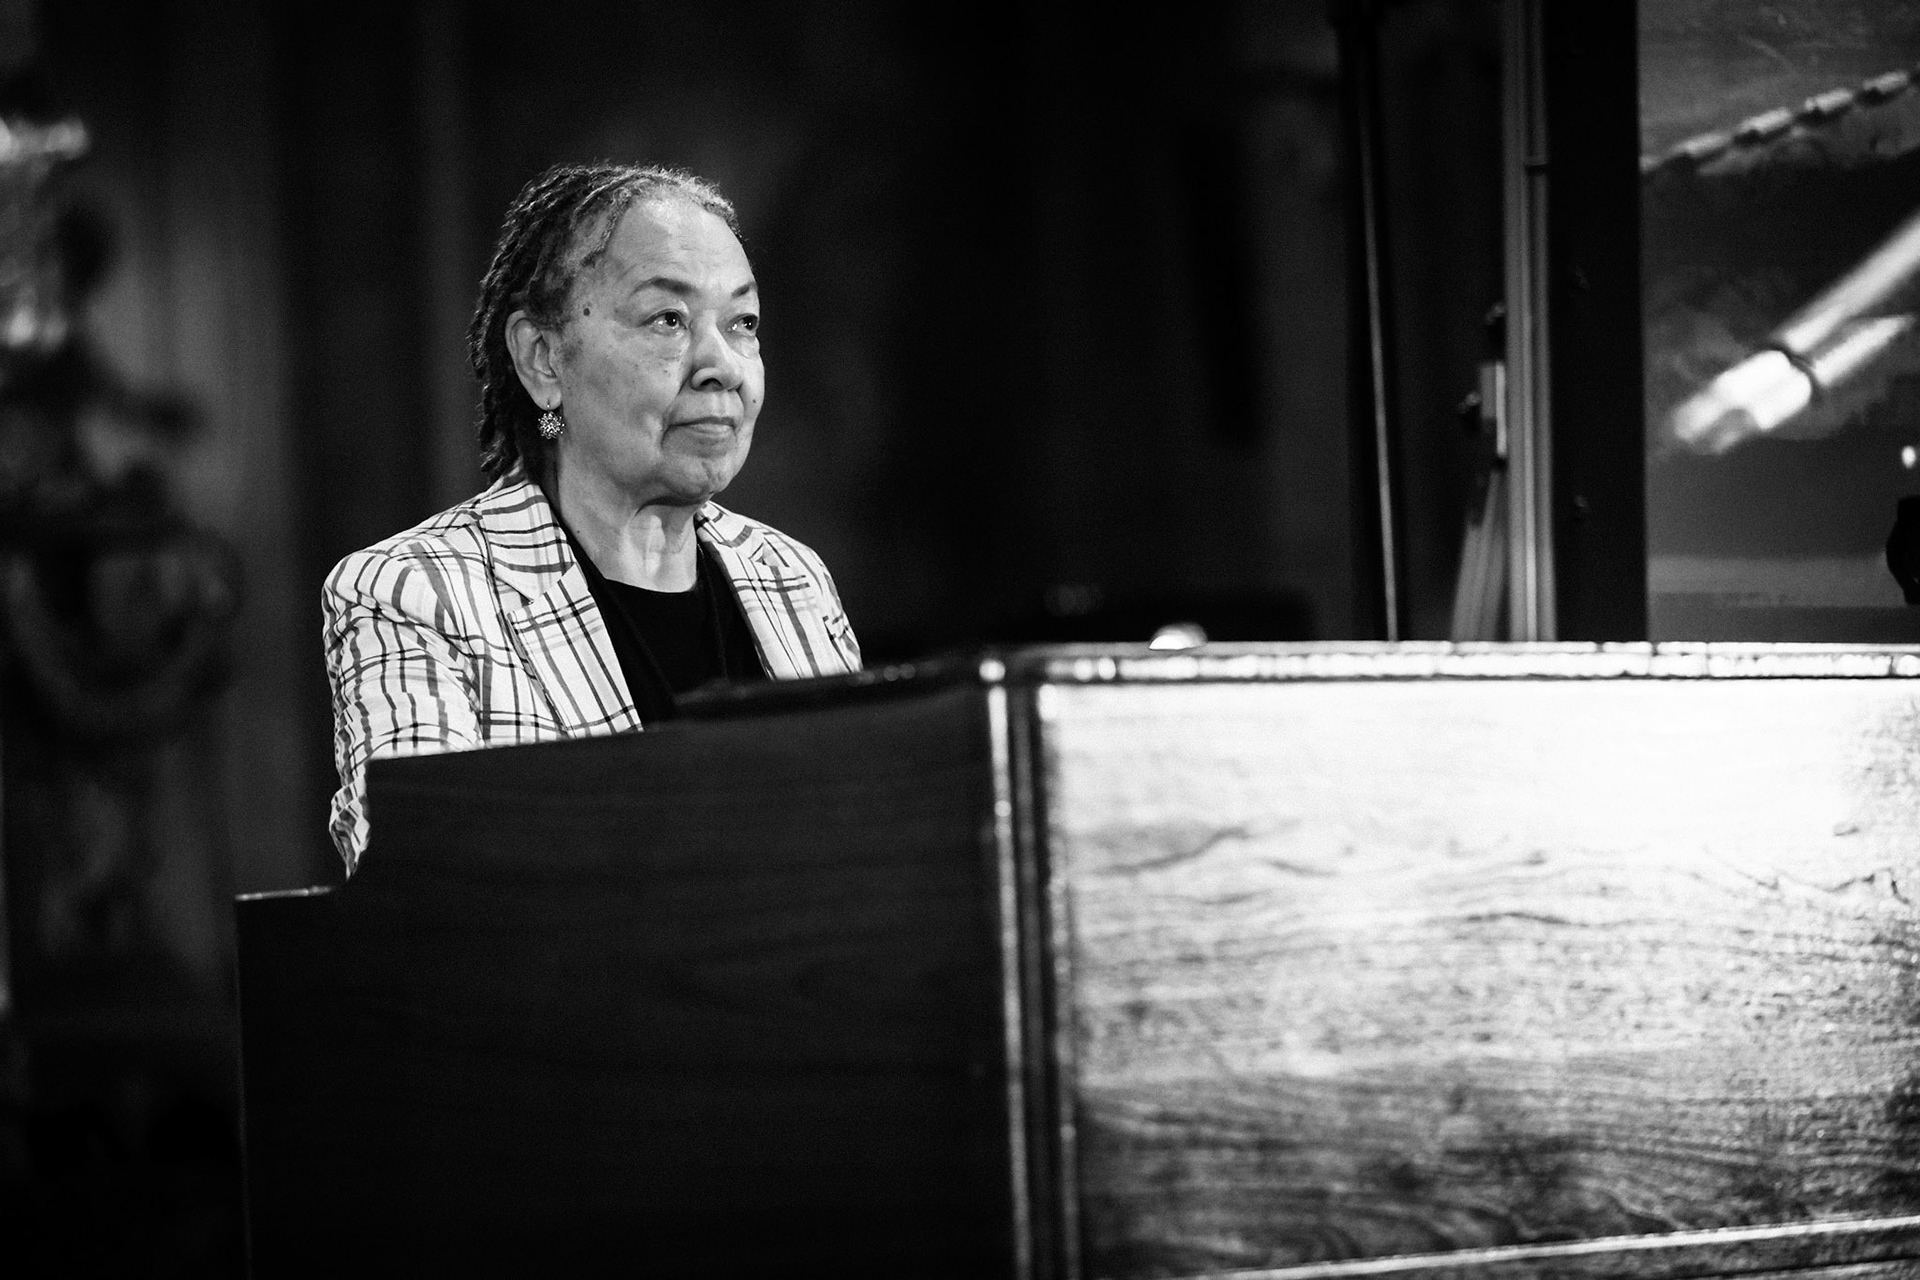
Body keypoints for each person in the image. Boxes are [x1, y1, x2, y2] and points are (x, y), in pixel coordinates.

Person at [323, 163, 861, 872]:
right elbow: (432, 892)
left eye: (742, 323)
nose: (721, 365)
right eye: (668, 319)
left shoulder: (792, 579)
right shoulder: (415, 594)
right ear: (543, 359)